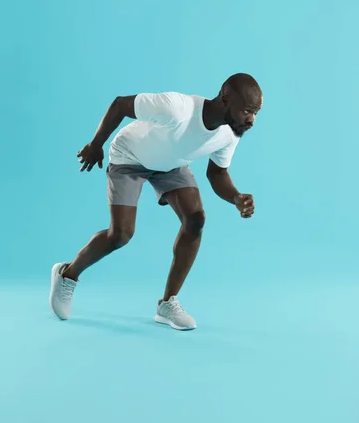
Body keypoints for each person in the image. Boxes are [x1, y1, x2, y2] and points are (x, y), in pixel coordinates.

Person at [49, 73, 263, 331]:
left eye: (256, 113)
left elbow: (217, 173)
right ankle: (67, 274)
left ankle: (167, 303)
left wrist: (235, 197)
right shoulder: (177, 108)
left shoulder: (231, 132)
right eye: (247, 111)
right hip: (130, 156)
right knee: (121, 235)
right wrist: (96, 144)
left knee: (195, 219)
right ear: (225, 100)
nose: (251, 120)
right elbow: (120, 104)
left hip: (171, 164)